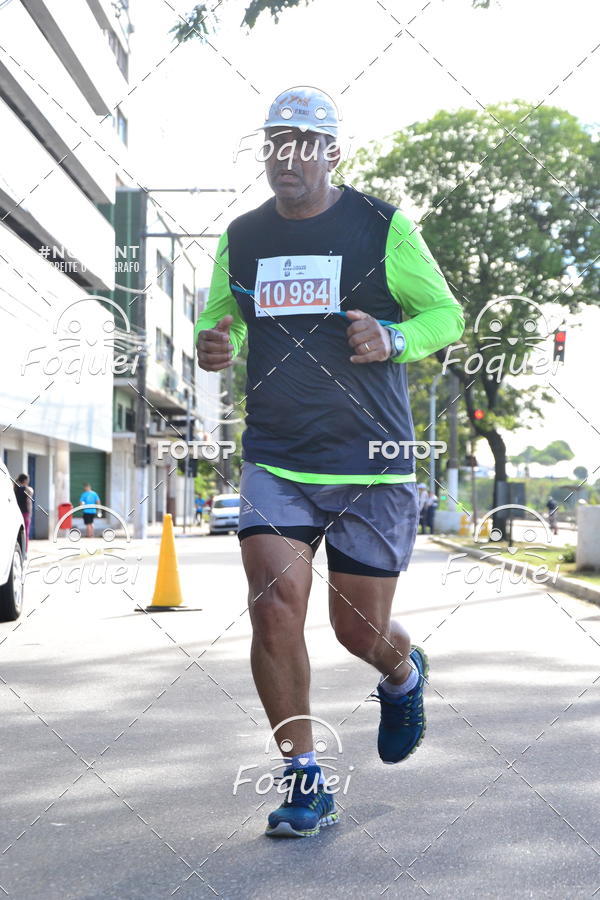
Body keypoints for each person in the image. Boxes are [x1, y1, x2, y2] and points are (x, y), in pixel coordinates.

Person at [195, 86, 464, 838]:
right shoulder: (242, 236)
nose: (287, 156)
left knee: (356, 631)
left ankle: (403, 673)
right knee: (275, 607)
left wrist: (394, 338)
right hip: (277, 456)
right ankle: (304, 780)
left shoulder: (381, 226)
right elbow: (223, 323)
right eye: (276, 142)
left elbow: (445, 314)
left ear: (330, 152)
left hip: (372, 460)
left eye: (303, 142)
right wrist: (217, 344)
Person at [14, 473, 33, 550]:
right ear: (25, 480)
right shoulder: (27, 489)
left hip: (17, 513)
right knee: (25, 533)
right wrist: (30, 514)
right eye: (27, 480)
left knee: (17, 533)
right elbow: (29, 501)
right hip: (25, 513)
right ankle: (25, 551)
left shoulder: (15, 488)